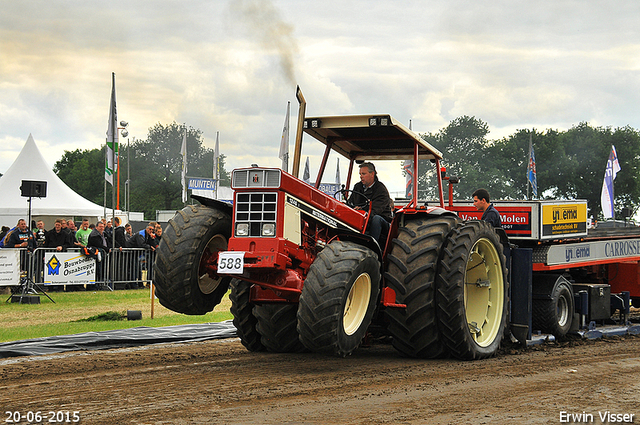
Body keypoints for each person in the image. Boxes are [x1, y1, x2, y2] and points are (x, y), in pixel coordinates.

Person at [348, 162, 393, 243]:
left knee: (376, 219)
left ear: (372, 174)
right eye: (360, 174)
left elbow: (375, 211)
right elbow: (351, 203)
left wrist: (361, 210)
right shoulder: (357, 187)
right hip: (361, 218)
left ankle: (371, 245)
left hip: (381, 222)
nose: (361, 176)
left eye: (364, 174)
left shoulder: (381, 190)